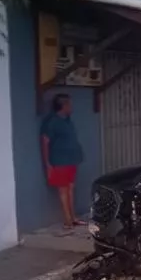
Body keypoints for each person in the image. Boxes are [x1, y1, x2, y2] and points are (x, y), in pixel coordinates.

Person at [41, 94, 85, 229]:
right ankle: (67, 220)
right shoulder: (52, 122)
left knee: (71, 188)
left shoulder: (67, 120)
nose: (71, 107)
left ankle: (73, 217)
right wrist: (48, 164)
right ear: (63, 106)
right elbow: (45, 142)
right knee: (63, 190)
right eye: (69, 105)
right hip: (59, 161)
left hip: (72, 159)